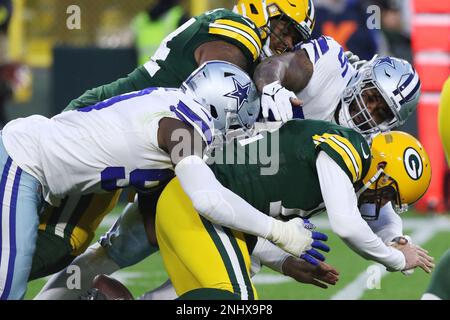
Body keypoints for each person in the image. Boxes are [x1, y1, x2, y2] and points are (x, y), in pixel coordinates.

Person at [35, 45, 423, 298]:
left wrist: (395, 238)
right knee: (123, 248)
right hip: (208, 169)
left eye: (381, 112)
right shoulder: (328, 70)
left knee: (217, 284)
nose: (367, 111)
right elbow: (277, 64)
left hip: (246, 206)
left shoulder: (364, 150)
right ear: (363, 78)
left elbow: (378, 198)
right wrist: (271, 88)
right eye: (371, 97)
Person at [30, 0, 317, 282]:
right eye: (286, 28)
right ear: (259, 10)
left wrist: (280, 257)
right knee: (60, 240)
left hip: (144, 148)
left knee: (138, 237)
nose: (287, 42)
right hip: (102, 130)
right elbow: (219, 74)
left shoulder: (250, 62)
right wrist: (267, 87)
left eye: (296, 38)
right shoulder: (237, 32)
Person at [2, 61, 326, 300]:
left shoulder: (171, 104)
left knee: (35, 264)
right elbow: (210, 201)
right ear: (224, 109)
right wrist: (281, 231)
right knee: (8, 285)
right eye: (238, 121)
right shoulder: (184, 131)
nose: (236, 132)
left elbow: (219, 215)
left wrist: (281, 259)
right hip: (23, 160)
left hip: (35, 172)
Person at [85, 123, 434, 300]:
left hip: (210, 217)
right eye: (385, 192)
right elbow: (346, 224)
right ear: (380, 167)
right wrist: (396, 259)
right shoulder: (350, 148)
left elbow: (251, 210)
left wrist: (284, 262)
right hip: (197, 209)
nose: (379, 202)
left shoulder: (344, 167)